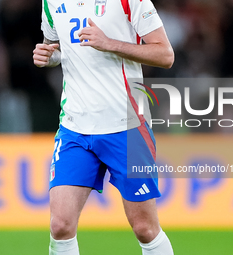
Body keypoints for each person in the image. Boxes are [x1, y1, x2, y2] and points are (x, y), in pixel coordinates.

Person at [33, 0, 174, 254]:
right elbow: (56, 47)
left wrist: (109, 43)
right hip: (75, 126)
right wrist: (49, 56)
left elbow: (165, 55)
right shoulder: (51, 2)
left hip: (126, 124)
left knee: (145, 228)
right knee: (60, 225)